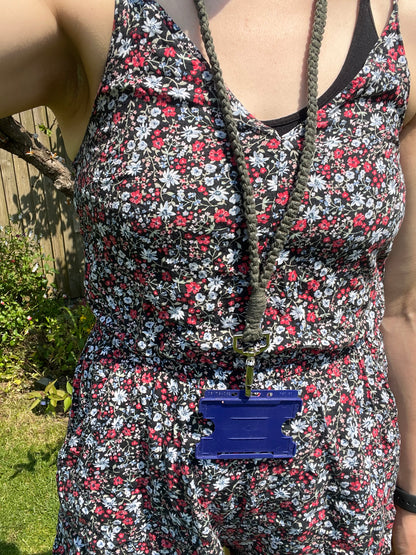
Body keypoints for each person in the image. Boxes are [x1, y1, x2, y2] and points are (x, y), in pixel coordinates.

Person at [1, 0, 416, 553]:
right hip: (134, 467)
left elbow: (406, 305)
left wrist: (411, 501)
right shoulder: (90, 14)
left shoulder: (402, 27)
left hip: (341, 465)